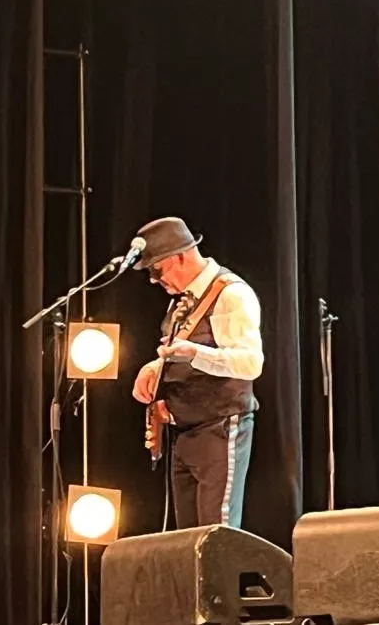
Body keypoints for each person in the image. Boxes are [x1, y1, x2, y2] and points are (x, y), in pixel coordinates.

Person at [130, 217, 263, 529]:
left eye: (156, 269)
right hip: (184, 432)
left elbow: (249, 363)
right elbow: (174, 350)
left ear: (180, 257)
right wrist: (153, 368)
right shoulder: (181, 302)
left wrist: (195, 353)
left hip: (219, 427)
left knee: (217, 537)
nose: (152, 279)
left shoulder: (230, 294)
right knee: (187, 541)